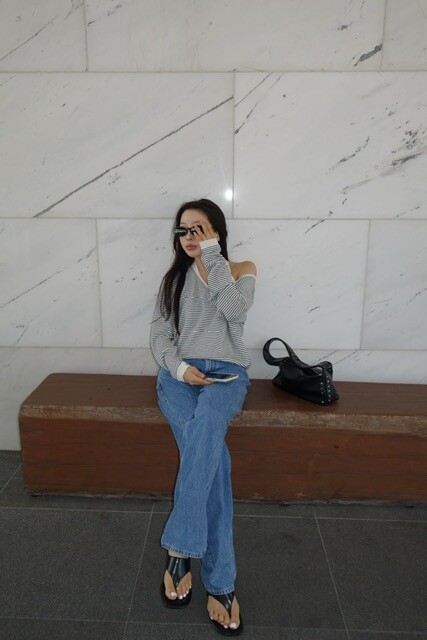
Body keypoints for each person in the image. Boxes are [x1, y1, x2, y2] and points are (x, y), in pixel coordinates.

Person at [149, 198, 257, 636]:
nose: (189, 236)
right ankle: (221, 584)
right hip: (178, 378)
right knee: (216, 462)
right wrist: (178, 369)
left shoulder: (241, 268)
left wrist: (213, 256)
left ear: (216, 231)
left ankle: (180, 549)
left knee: (208, 437)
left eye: (198, 228)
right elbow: (160, 336)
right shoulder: (172, 280)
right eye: (183, 230)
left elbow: (235, 312)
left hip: (228, 377)